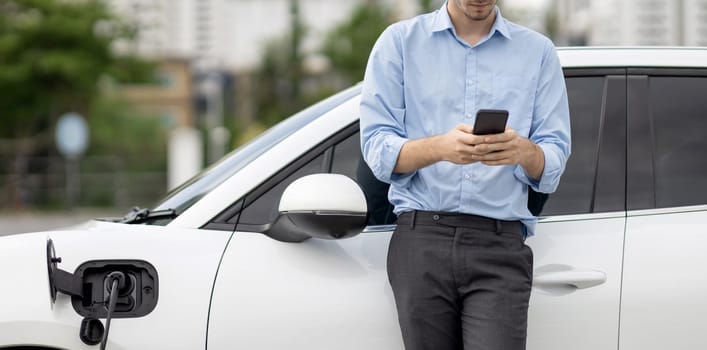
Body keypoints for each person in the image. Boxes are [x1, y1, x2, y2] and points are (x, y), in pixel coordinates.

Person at [359, 1, 571, 349]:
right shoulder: (399, 43)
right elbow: (377, 150)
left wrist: (523, 151)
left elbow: (553, 161)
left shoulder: (538, 52)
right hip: (421, 239)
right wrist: (440, 148)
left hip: (499, 243)